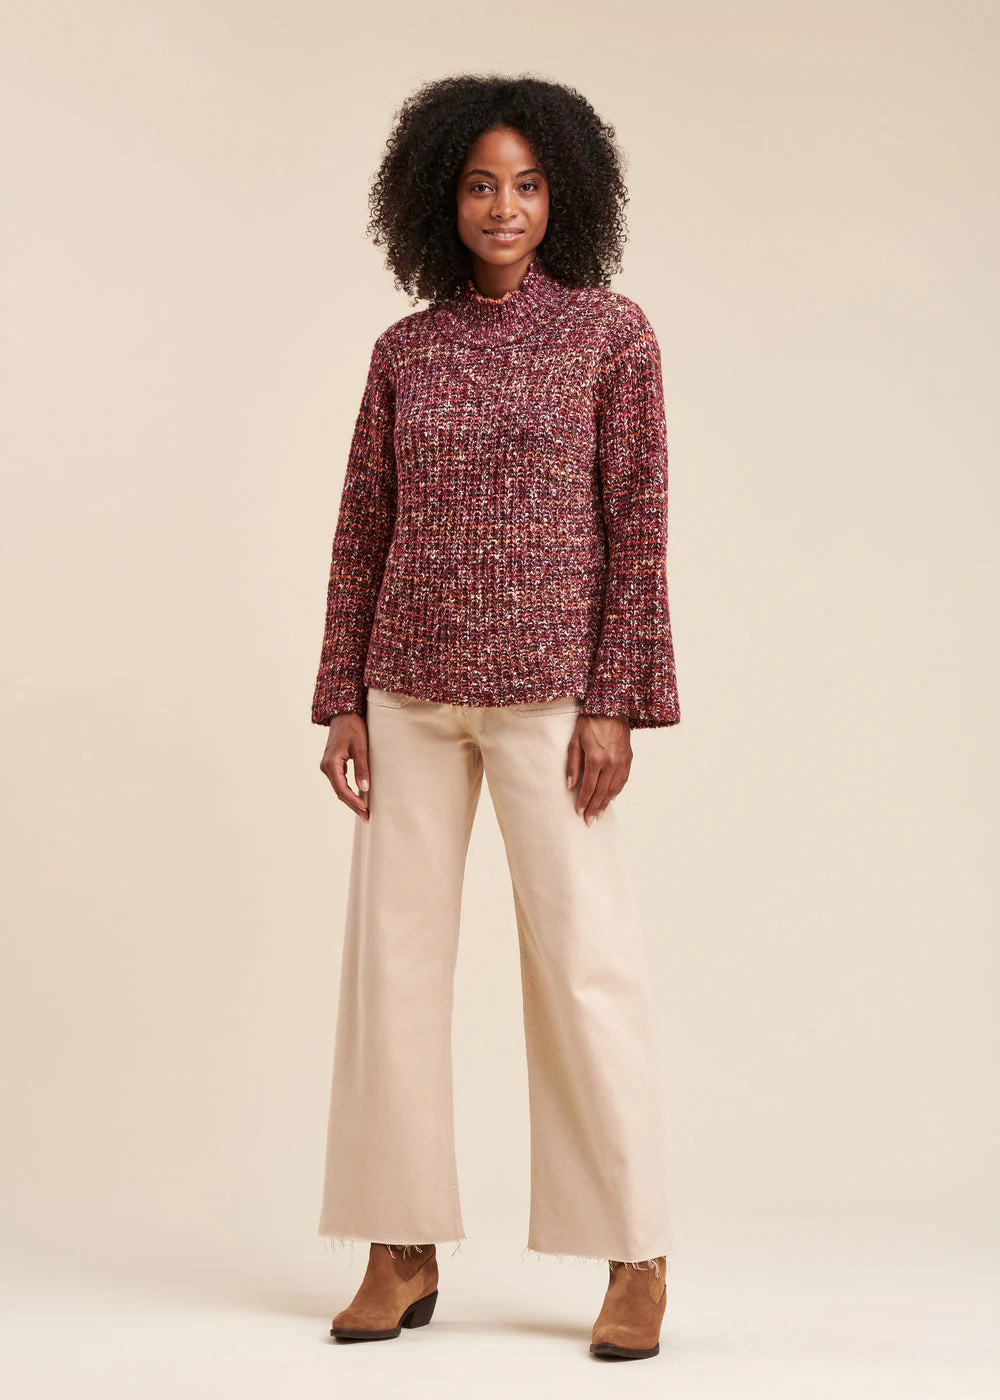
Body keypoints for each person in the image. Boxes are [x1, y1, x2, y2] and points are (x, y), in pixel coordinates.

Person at [311, 74, 681, 1361]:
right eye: (479, 184)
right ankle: (397, 1243)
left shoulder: (610, 336)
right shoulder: (404, 352)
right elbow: (362, 525)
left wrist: (616, 698)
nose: (502, 207)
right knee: (393, 968)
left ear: (563, 195)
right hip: (407, 689)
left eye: (525, 184)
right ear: (440, 197)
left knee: (585, 962)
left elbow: (638, 524)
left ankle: (635, 1252)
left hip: (550, 695)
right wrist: (341, 695)